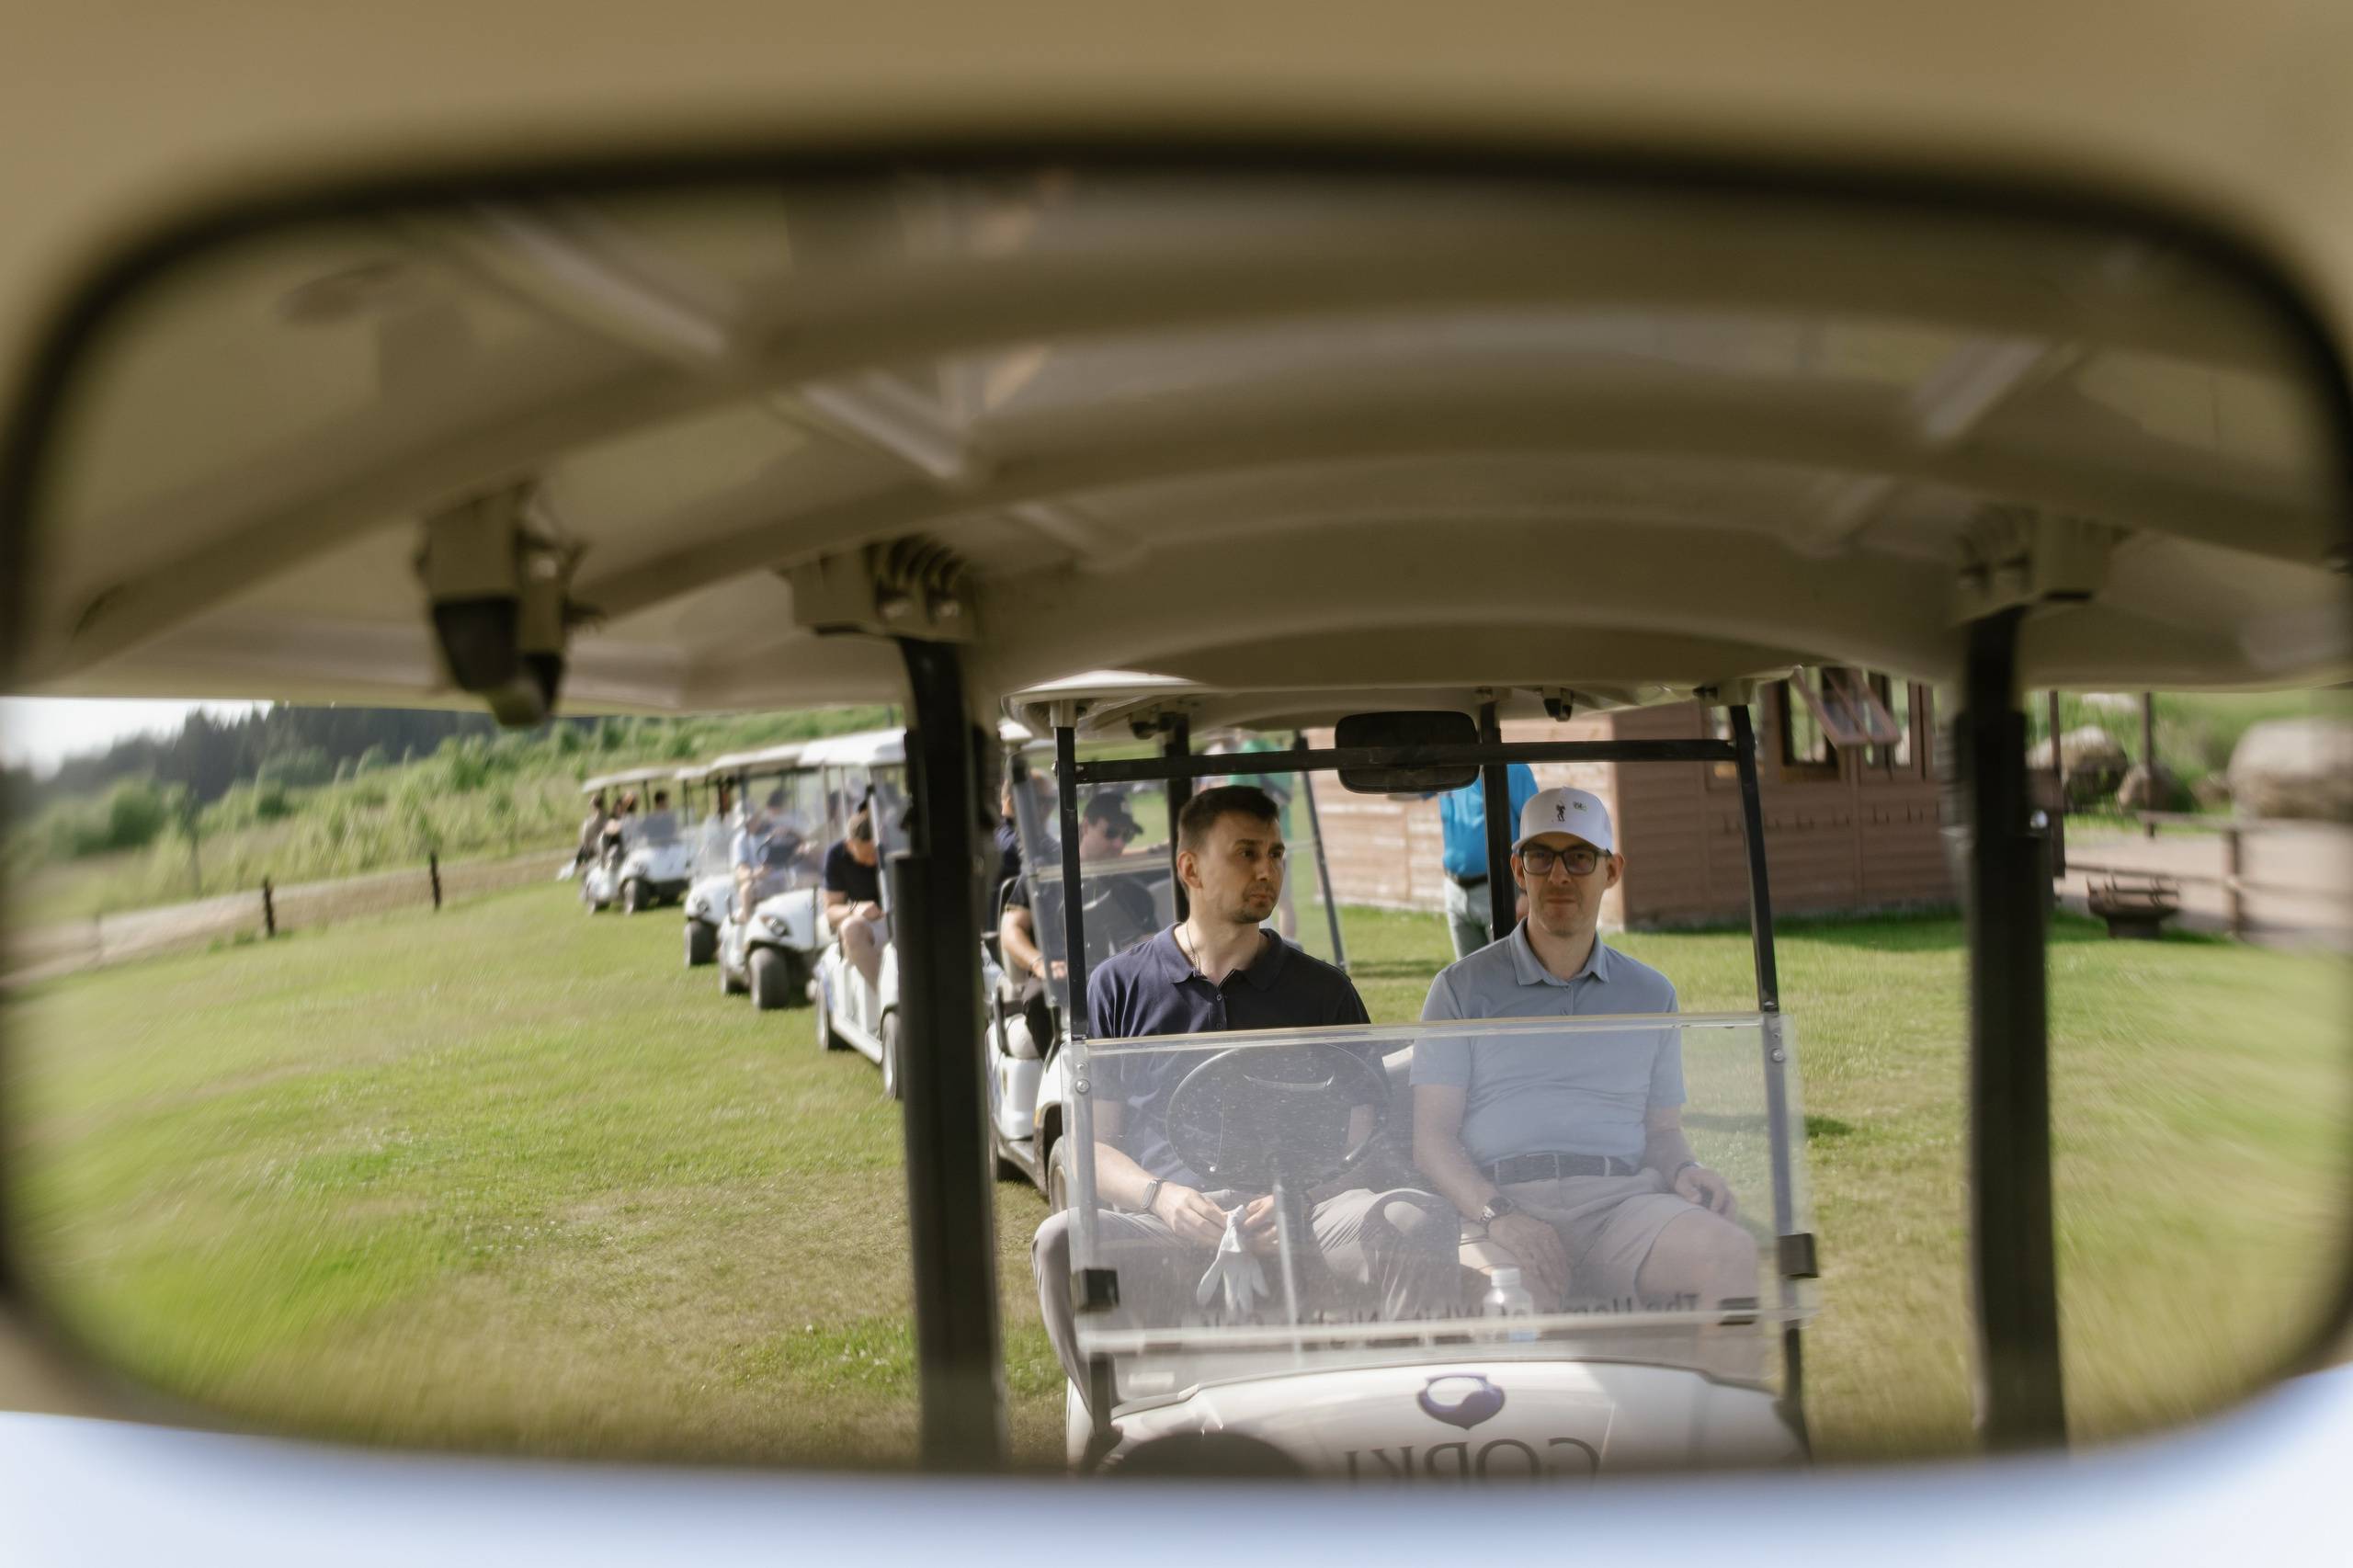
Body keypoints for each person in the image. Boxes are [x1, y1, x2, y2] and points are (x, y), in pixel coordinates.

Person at [1030, 785, 1457, 1391]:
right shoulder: (1118, 986)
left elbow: (1365, 1130)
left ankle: (1403, 1413)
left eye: (1277, 854)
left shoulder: (1323, 991)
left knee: (1419, 1219)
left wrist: (1303, 1199)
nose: (1268, 870)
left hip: (1304, 1214)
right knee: (1060, 1241)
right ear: (1190, 868)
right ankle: (1119, 1425)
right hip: (1174, 1217)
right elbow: (1090, 1148)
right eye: (1246, 853)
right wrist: (1162, 1199)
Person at [1411, 787, 1758, 1358]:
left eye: (1579, 857)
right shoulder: (1460, 989)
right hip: (1499, 1201)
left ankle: (1721, 1443)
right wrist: (1501, 1215)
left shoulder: (1650, 993)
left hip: (1620, 1205)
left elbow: (1663, 1132)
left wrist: (1686, 1168)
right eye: (1541, 858)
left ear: (1612, 870)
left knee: (1732, 1256)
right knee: (1519, 1307)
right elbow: (1432, 1138)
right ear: (1518, 870)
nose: (1559, 876)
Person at [999, 789, 1155, 1054]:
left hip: (1118, 973)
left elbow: (1152, 938)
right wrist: (1040, 963)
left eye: (1125, 836)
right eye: (1111, 833)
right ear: (1086, 827)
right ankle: (1059, 1078)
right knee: (1037, 998)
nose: (1119, 843)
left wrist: (1139, 947)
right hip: (1061, 974)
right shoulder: (1045, 873)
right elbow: (1012, 928)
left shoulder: (1131, 887)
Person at [1434, 763, 1541, 959]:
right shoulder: (1444, 766)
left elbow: (1536, 831)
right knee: (1467, 978)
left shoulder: (1513, 769)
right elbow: (1401, 792)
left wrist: (1528, 893)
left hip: (1501, 889)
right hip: (1455, 890)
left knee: (1509, 972)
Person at [824, 808, 887, 991]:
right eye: (865, 855)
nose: (872, 861)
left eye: (874, 853)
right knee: (849, 929)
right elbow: (831, 912)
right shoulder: (836, 856)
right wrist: (854, 909)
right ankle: (884, 994)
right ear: (850, 846)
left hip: (901, 916)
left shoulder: (892, 845)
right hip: (868, 925)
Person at [574, 790, 610, 871]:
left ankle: (576, 866)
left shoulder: (588, 823)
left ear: (593, 806)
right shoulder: (608, 820)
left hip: (595, 853)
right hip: (607, 850)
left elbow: (584, 842)